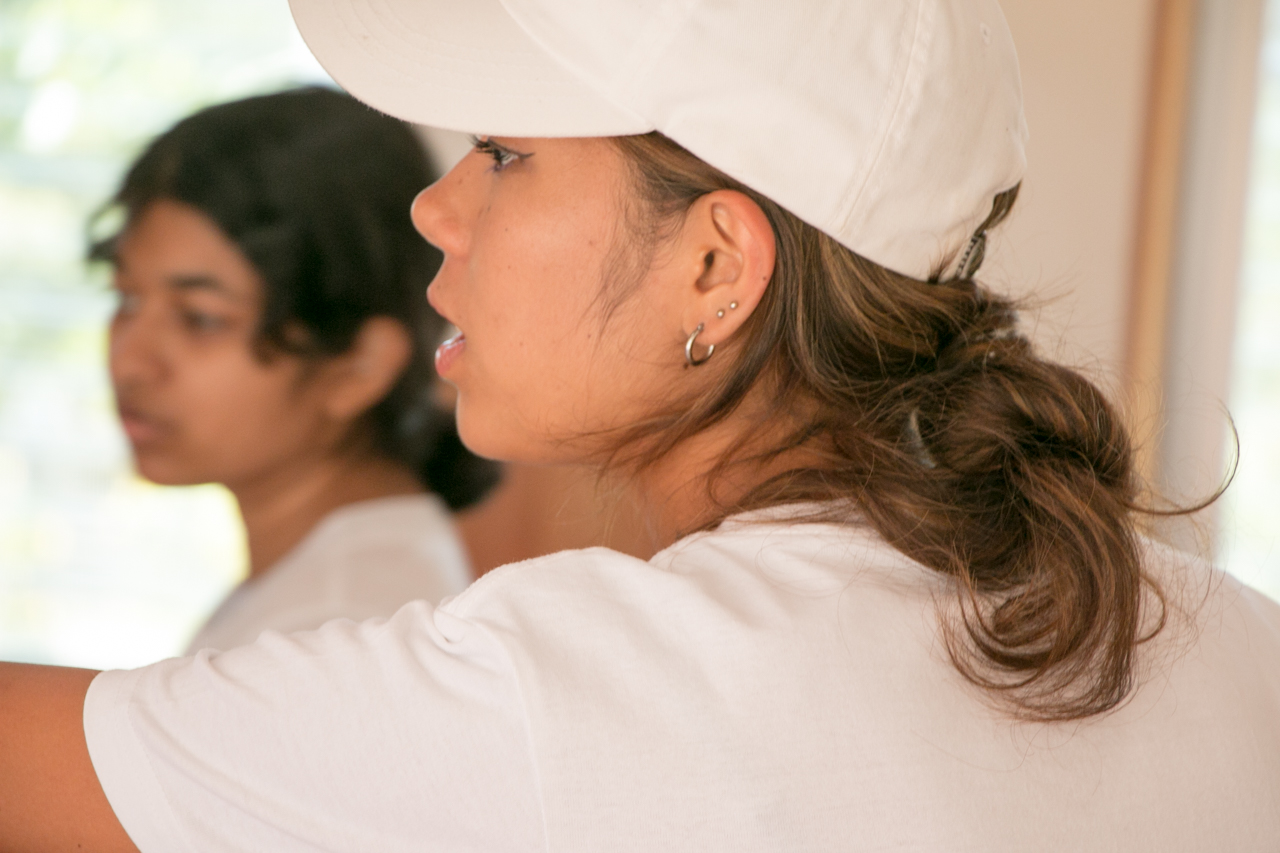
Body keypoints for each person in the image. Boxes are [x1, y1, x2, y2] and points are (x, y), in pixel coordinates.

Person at [3, 1, 1280, 850]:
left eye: (503, 155)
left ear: (719, 266)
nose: (432, 211)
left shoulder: (574, 694)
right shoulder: (1239, 650)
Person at [94, 87, 500, 651]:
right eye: (126, 299)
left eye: (200, 318)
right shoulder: (330, 582)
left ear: (360, 365)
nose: (130, 362)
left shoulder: (340, 626)